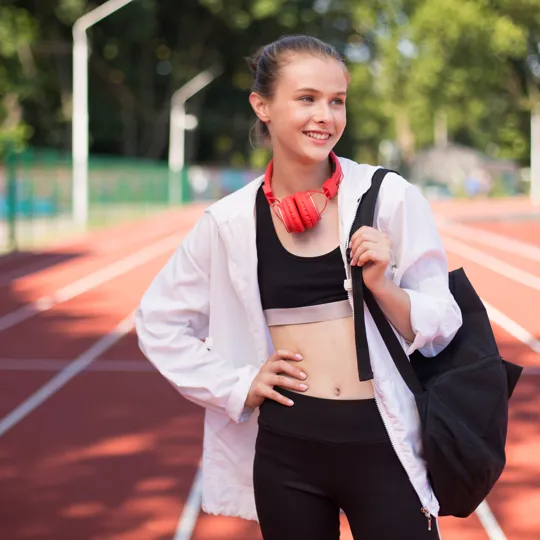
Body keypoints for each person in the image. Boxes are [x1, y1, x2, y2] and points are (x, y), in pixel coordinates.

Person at [135, 35, 463, 539]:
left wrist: (383, 287)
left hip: (382, 442)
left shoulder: (388, 197)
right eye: (307, 98)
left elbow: (443, 325)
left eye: (337, 101)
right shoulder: (228, 222)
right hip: (288, 449)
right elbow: (158, 321)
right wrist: (237, 385)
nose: (325, 116)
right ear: (261, 106)